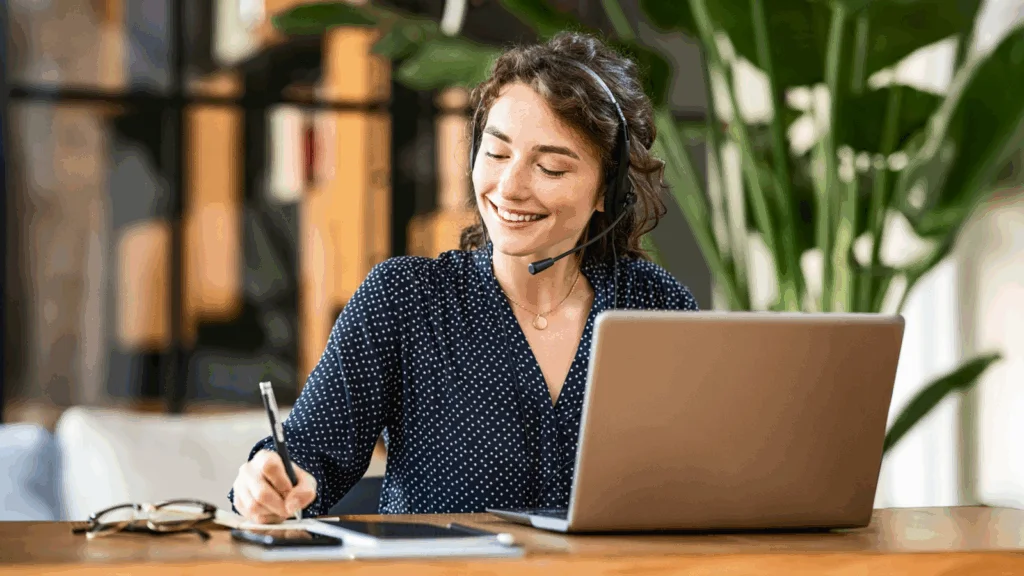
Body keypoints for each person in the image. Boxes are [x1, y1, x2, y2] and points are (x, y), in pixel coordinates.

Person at [229, 31, 699, 523]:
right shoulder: (405, 299)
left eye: (551, 168)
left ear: (609, 190)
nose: (509, 188)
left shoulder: (656, 306)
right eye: (496, 155)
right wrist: (265, 482)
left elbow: (702, 477)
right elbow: (304, 461)